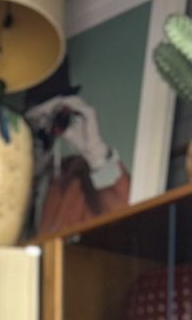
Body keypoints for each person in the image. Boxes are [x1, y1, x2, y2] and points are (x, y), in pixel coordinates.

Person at [26, 90, 131, 234]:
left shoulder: (77, 179)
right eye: (33, 123)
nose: (41, 131)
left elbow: (125, 217)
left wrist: (97, 155)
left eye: (47, 120)